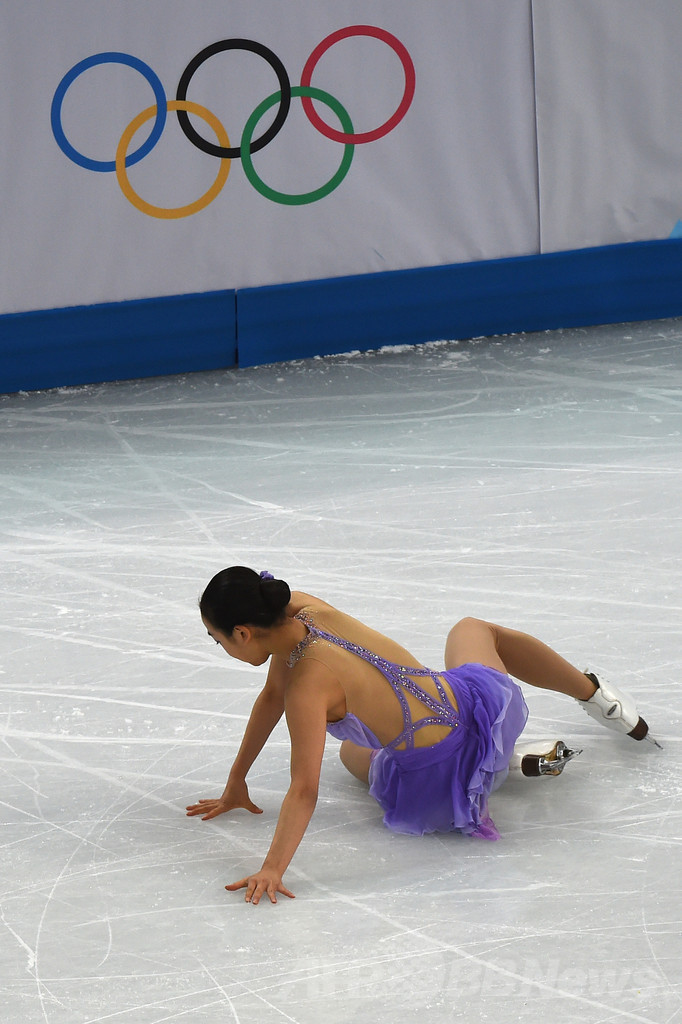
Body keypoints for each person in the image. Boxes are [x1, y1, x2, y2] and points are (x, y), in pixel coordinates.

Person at [186, 566, 659, 906]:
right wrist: (236, 781)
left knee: (355, 754)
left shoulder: (308, 686)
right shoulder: (302, 610)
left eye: (218, 639)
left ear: (244, 633)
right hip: (478, 707)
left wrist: (272, 869)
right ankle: (597, 699)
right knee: (474, 629)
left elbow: (304, 788)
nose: (221, 648)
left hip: (436, 771)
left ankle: (502, 765)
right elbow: (271, 695)